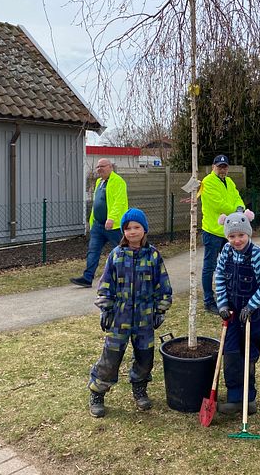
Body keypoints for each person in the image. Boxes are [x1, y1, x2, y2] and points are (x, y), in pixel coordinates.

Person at [87, 208, 173, 417]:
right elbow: (105, 285)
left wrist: (160, 309)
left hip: (145, 318)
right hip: (120, 317)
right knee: (110, 357)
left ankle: (140, 388)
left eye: (136, 227)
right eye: (128, 228)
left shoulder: (153, 255)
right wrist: (106, 309)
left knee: (145, 357)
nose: (132, 232)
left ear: (144, 230)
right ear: (123, 232)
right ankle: (98, 392)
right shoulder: (116, 255)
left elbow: (163, 285)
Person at [215, 207, 260, 414]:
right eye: (232, 236)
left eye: (241, 235)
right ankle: (234, 397)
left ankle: (248, 400)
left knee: (248, 356)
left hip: (252, 316)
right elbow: (220, 278)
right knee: (230, 354)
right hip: (231, 314)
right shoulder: (226, 251)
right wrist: (222, 304)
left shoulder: (257, 255)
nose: (237, 240)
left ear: (248, 233)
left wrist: (251, 305)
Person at [70, 158, 128, 288]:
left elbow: (119, 202)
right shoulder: (99, 182)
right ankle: (87, 278)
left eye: (102, 166)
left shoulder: (118, 182)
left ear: (110, 167)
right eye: (97, 167)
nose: (99, 169)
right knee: (93, 251)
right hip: (98, 225)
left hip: (113, 226)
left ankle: (126, 276)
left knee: (121, 251)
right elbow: (97, 202)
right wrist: (92, 221)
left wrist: (111, 218)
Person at [199, 154, 245, 314]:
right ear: (213, 167)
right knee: (209, 266)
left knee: (229, 265)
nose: (222, 169)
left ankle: (227, 297)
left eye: (225, 166)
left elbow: (237, 197)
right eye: (219, 167)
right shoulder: (207, 182)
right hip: (212, 231)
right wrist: (236, 210)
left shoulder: (230, 182)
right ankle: (208, 301)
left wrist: (240, 207)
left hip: (228, 232)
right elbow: (218, 204)